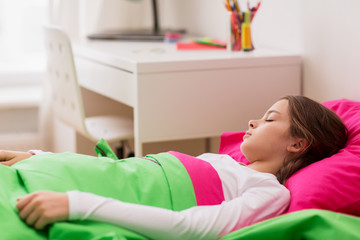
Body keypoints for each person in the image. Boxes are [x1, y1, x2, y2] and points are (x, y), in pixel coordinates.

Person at [0, 95, 348, 240]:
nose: (254, 121)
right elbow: (127, 171)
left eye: (270, 118)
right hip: (69, 174)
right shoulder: (224, 162)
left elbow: (190, 228)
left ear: (298, 144)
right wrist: (43, 156)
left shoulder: (268, 191)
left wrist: (78, 204)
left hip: (79, 195)